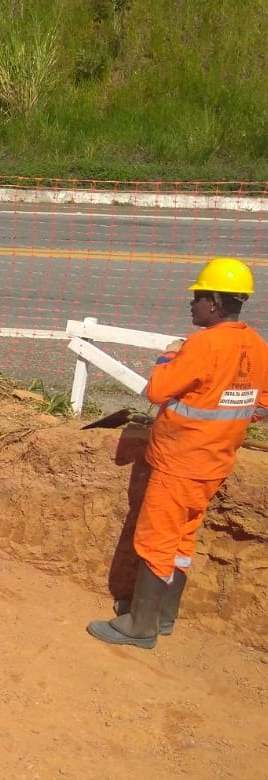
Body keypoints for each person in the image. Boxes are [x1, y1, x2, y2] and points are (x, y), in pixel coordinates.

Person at [88, 258, 268, 648]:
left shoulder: (202, 344)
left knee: (155, 540)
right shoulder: (255, 345)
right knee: (182, 542)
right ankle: (162, 614)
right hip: (215, 462)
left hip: (179, 462)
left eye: (199, 296)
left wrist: (170, 356)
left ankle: (140, 626)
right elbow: (261, 405)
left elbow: (156, 391)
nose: (192, 304)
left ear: (216, 302)